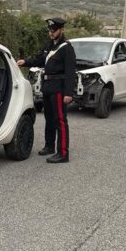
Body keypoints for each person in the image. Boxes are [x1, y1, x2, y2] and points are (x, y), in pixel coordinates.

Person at [16, 18, 76, 163]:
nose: (51, 33)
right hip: (48, 86)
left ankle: (63, 153)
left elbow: (70, 72)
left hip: (59, 88)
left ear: (61, 30)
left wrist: (69, 93)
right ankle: (50, 146)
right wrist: (25, 62)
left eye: (53, 30)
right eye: (49, 30)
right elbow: (40, 59)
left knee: (60, 120)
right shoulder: (50, 46)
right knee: (49, 119)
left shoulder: (66, 48)